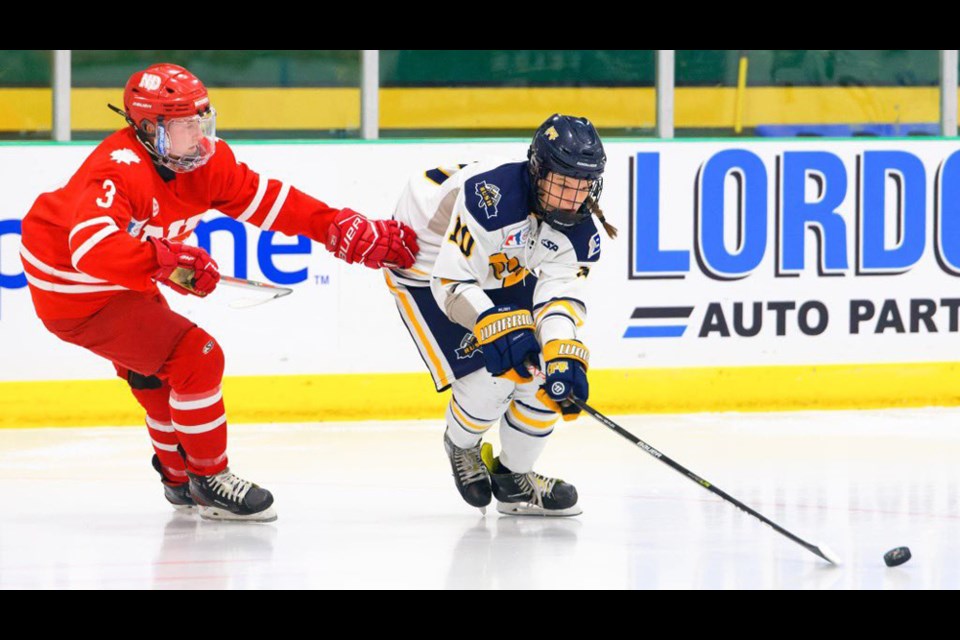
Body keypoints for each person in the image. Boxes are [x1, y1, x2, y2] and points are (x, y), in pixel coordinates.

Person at [19, 63, 419, 522]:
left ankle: (178, 479)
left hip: (118, 277)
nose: (199, 137)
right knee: (198, 358)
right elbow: (90, 249)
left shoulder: (206, 163)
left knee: (158, 377)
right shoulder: (117, 169)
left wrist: (333, 226)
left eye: (202, 122)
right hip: (73, 290)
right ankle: (210, 479)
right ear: (148, 129)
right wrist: (167, 261)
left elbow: (271, 201)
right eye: (185, 126)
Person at [387, 114, 615, 516]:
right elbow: (452, 284)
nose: (570, 198)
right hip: (427, 261)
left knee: (544, 375)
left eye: (581, 186)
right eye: (562, 183)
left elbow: (558, 299)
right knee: (490, 378)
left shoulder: (580, 229)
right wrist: (494, 327)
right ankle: (461, 444)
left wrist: (563, 352)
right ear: (538, 170)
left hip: (501, 258)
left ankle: (514, 478)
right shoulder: (488, 199)